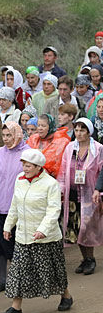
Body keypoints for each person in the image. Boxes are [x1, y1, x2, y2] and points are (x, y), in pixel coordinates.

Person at [1, 149, 73, 313]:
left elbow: (54, 209)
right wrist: (8, 226)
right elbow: (14, 205)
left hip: (45, 238)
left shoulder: (50, 184)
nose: (24, 168)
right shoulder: (20, 180)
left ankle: (66, 296)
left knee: (52, 270)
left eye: (28, 166)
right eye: (23, 165)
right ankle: (16, 308)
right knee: (18, 271)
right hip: (23, 236)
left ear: (38, 167)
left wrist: (43, 230)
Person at [0, 121, 30, 294]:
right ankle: (4, 279)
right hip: (1, 205)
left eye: (9, 135)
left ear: (17, 135)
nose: (6, 139)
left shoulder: (27, 152)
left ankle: (20, 278)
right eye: (4, 135)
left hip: (19, 206)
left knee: (14, 243)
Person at [60, 118, 103, 275]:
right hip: (72, 193)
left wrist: (99, 190)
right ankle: (85, 259)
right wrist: (61, 188)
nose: (78, 133)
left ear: (89, 132)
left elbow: (101, 170)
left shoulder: (98, 149)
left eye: (82, 130)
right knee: (77, 228)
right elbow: (63, 170)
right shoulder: (70, 148)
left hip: (89, 194)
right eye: (76, 130)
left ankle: (91, 258)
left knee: (87, 227)